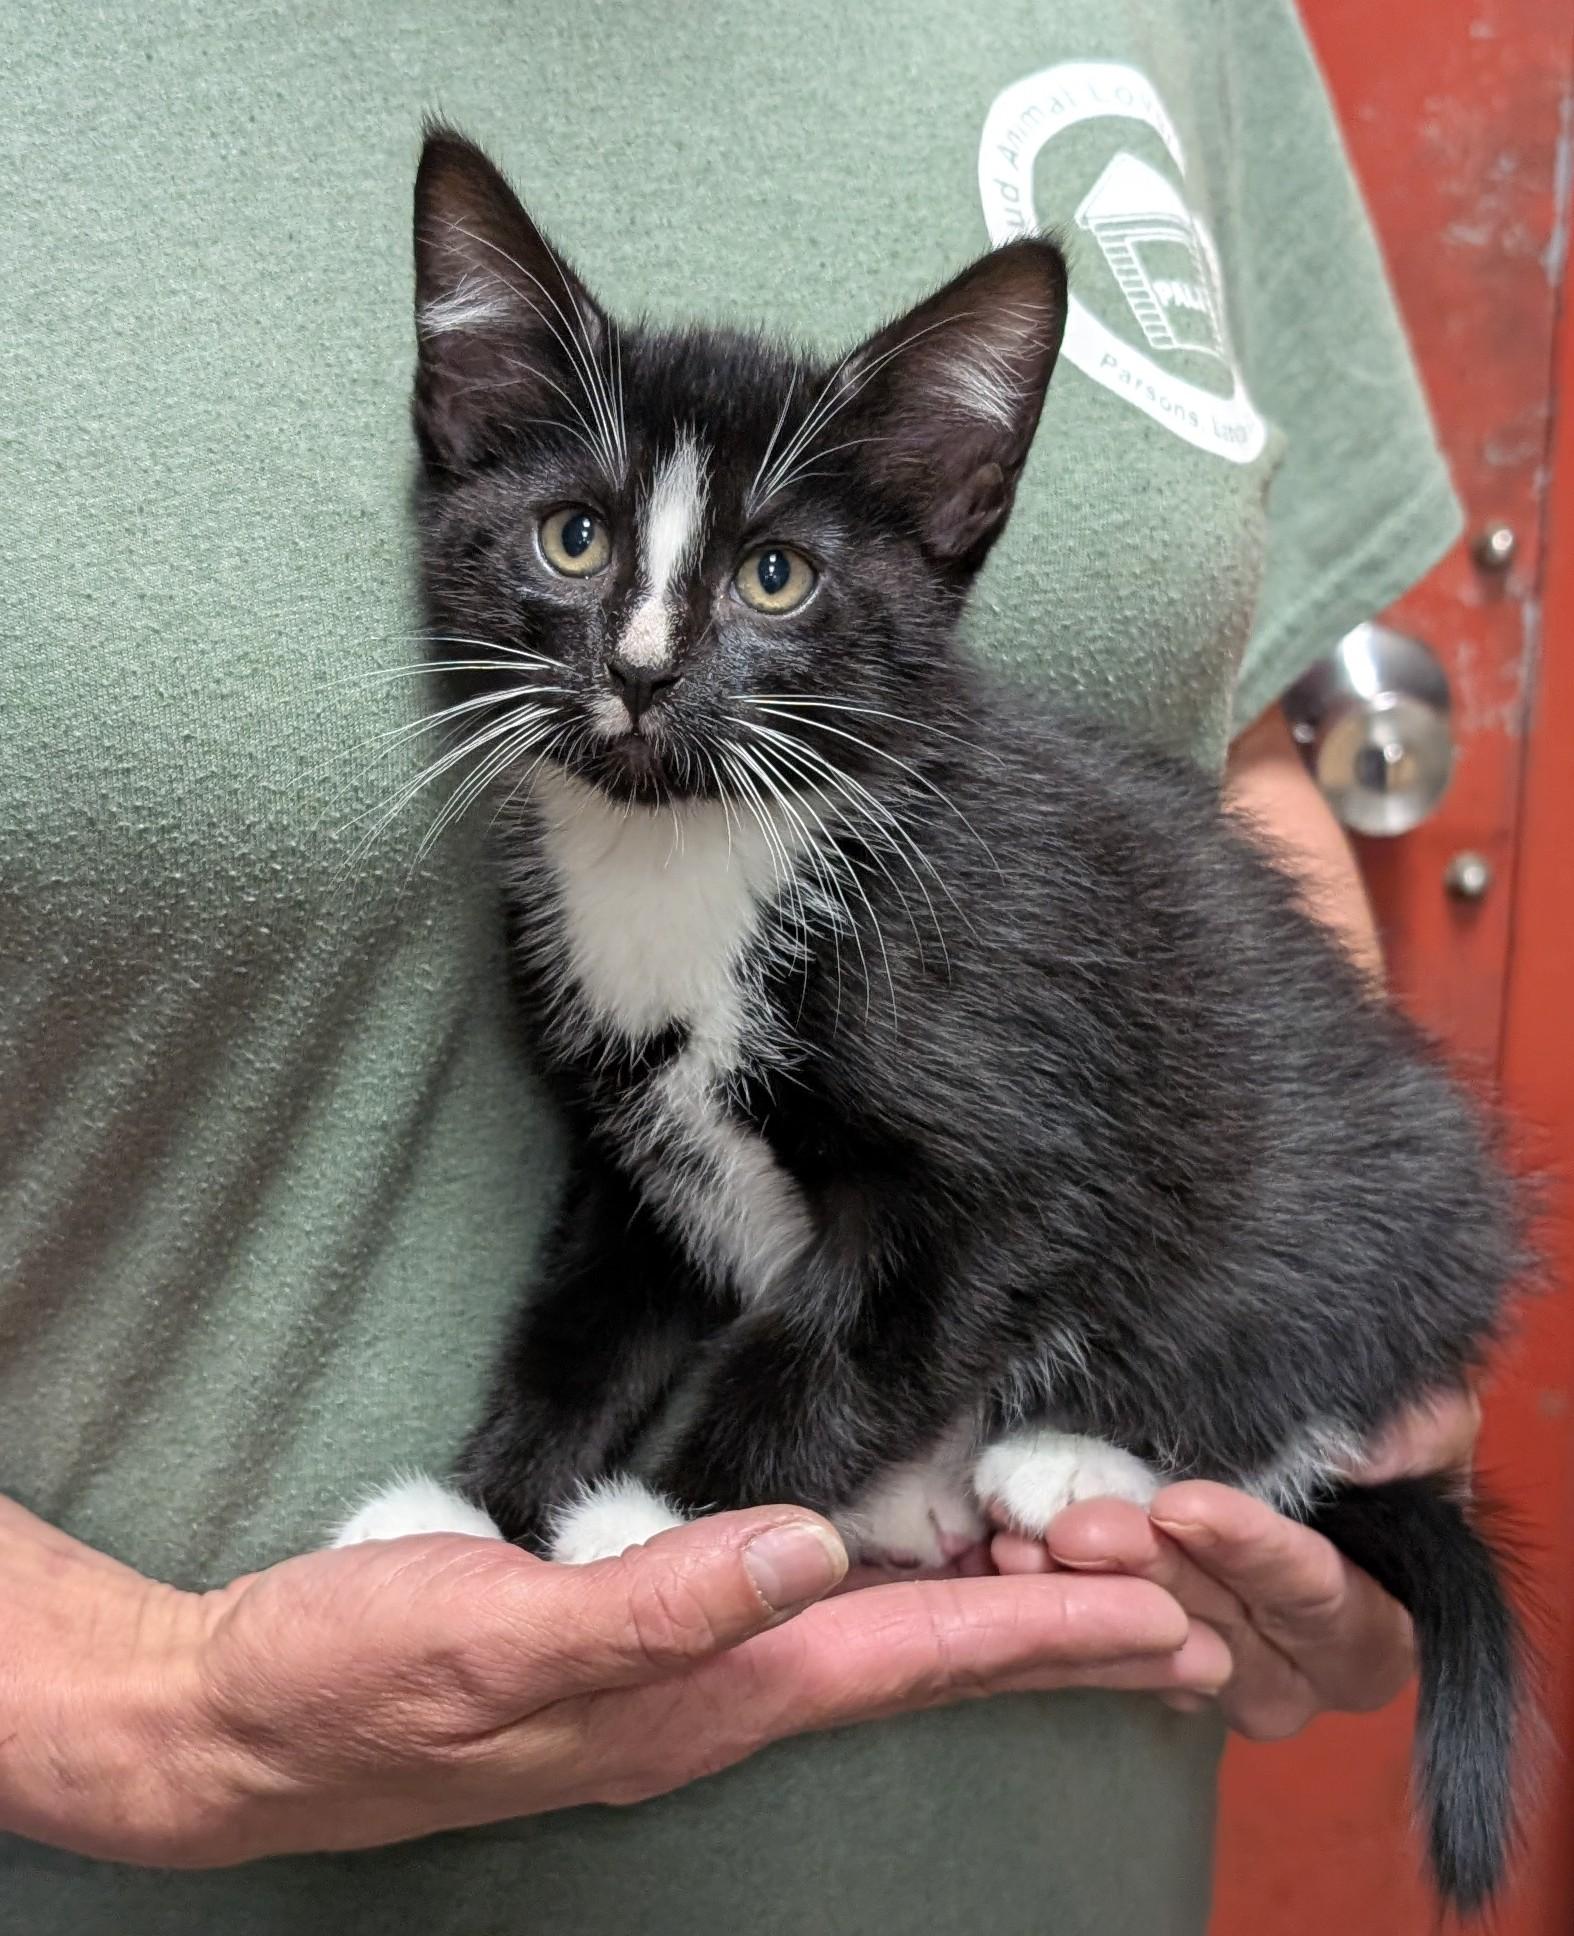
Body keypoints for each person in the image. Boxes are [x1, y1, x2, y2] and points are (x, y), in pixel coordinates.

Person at [0, 2, 1480, 1929]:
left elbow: (1248, 754)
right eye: (570, 545)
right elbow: (655, 1220)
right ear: (461, 430)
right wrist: (161, 1716)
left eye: (766, 578)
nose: (630, 656)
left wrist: (1320, 1402)